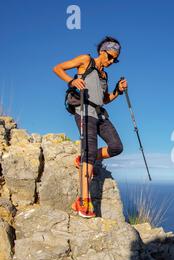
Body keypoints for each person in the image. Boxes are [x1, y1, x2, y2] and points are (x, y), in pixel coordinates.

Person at [53, 36, 127, 218]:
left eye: (114, 59)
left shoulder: (104, 75)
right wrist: (71, 81)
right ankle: (82, 201)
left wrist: (117, 91)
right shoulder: (86, 60)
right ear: (102, 51)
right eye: (110, 56)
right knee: (90, 152)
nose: (111, 61)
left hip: (99, 113)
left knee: (117, 147)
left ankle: (86, 157)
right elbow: (58, 68)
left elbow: (103, 99)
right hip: (84, 111)